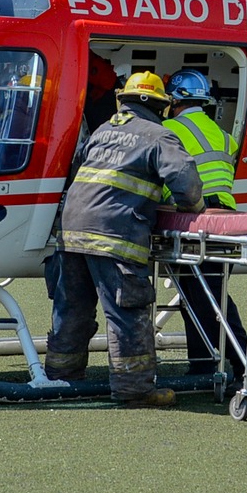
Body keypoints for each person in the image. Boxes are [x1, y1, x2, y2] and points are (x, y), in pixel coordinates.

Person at [44, 71, 203, 407]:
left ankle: (60, 379)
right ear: (161, 106)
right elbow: (186, 185)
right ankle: (135, 390)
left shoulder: (102, 132)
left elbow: (77, 171)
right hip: (116, 235)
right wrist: (193, 209)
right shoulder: (160, 136)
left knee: (71, 309)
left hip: (70, 232)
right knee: (127, 312)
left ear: (124, 101)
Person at [162, 69, 247, 377]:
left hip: (195, 218)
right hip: (224, 220)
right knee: (198, 293)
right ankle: (201, 364)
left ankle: (244, 364)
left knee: (209, 296)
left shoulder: (168, 129)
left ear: (174, 101)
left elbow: (168, 175)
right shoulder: (223, 135)